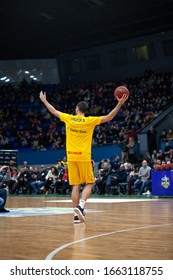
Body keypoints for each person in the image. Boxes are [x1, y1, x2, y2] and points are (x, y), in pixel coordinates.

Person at [39, 90, 128, 223]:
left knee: (75, 185)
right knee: (90, 183)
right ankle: (80, 207)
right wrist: (119, 104)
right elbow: (109, 117)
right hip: (83, 157)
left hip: (71, 157)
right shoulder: (89, 120)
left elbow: (54, 111)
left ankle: (76, 215)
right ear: (85, 110)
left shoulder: (68, 118)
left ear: (77, 109)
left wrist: (44, 100)